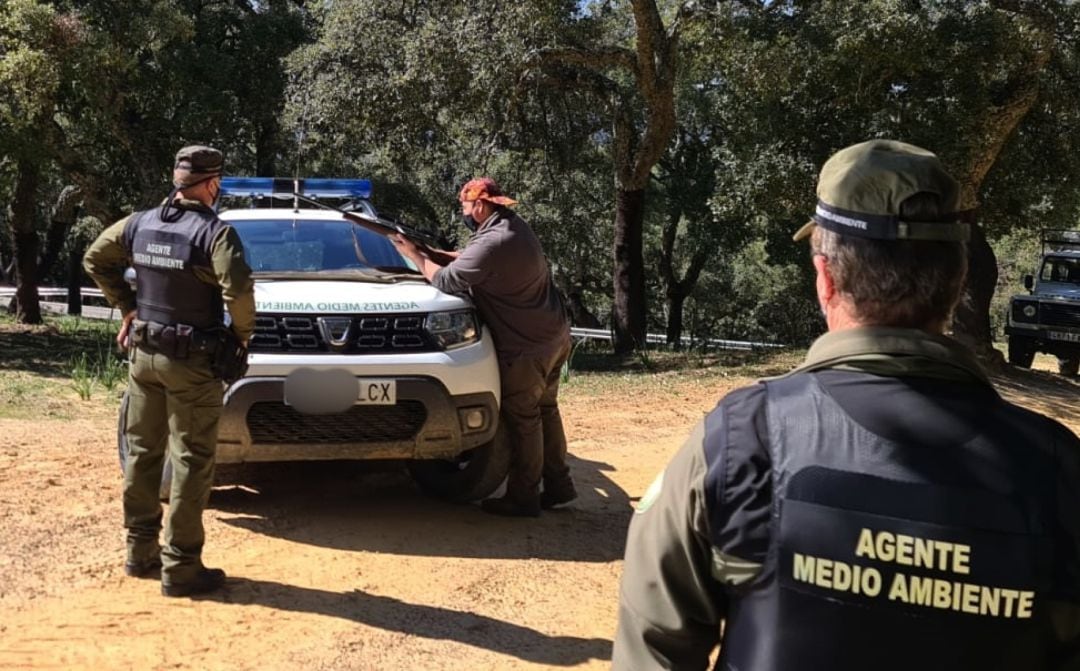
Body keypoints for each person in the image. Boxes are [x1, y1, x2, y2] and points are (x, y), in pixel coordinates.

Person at [613, 140, 1080, 669]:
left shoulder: (741, 441)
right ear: (956, 283)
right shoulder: (1058, 472)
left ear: (825, 279)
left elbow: (652, 649)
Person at [84, 145, 255, 597]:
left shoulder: (138, 224)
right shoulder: (214, 233)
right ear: (212, 183)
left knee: (142, 452)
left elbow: (95, 258)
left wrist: (128, 308)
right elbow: (237, 291)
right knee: (191, 459)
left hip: (144, 356)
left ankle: (140, 553)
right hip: (192, 363)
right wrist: (242, 336)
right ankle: (180, 568)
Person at [391, 177, 575, 517]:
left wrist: (414, 254)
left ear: (479, 205)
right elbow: (466, 258)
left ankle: (523, 496)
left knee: (523, 418)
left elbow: (446, 279)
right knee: (546, 410)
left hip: (526, 348)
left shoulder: (494, 241)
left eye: (464, 207)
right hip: (553, 337)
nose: (464, 214)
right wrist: (433, 252)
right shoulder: (512, 227)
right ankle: (559, 484)